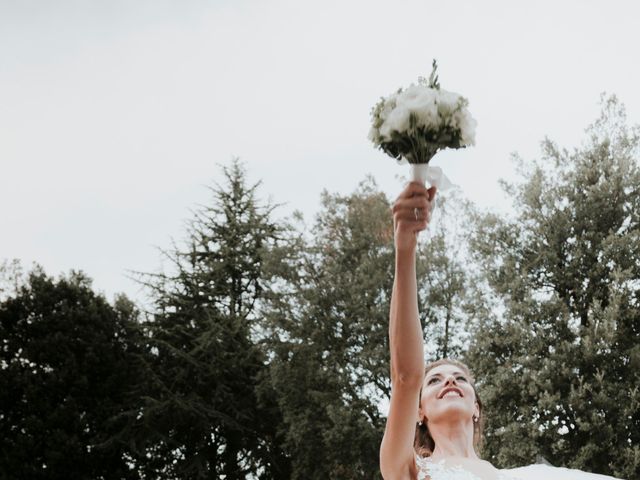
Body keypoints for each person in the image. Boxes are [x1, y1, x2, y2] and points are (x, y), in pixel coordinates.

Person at [379, 182, 622, 480]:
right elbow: (405, 377)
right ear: (419, 413)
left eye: (460, 378)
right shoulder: (410, 470)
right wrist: (405, 246)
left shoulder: (532, 475)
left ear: (476, 408)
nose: (450, 382)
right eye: (434, 381)